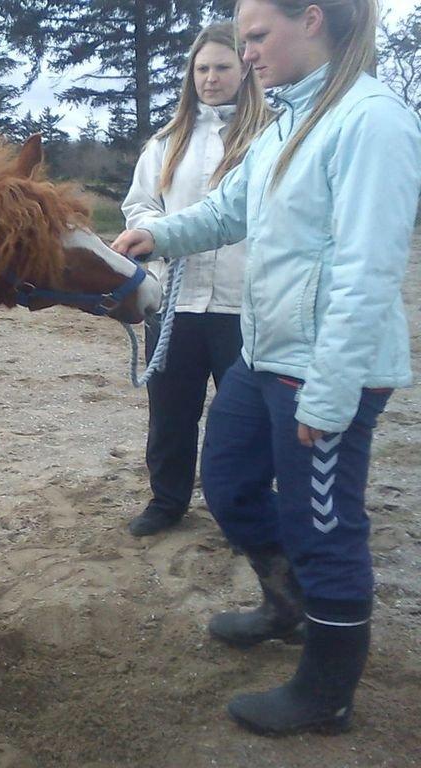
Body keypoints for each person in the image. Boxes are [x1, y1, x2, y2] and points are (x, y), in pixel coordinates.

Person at [112, 0, 421, 735]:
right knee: (227, 481)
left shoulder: (372, 122)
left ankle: (327, 693)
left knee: (325, 524)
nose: (244, 53)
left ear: (312, 19)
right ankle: (286, 603)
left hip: (322, 368)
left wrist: (332, 390)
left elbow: (368, 269)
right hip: (266, 353)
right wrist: (153, 233)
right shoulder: (287, 123)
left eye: (255, 35)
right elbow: (226, 213)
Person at [122, 21, 272, 537]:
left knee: (245, 419)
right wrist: (153, 232)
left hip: (242, 303)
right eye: (202, 68)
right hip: (174, 303)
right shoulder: (166, 143)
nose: (210, 78)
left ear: (245, 69)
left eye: (222, 67)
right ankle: (167, 502)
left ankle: (242, 510)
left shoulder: (271, 138)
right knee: (170, 413)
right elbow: (140, 204)